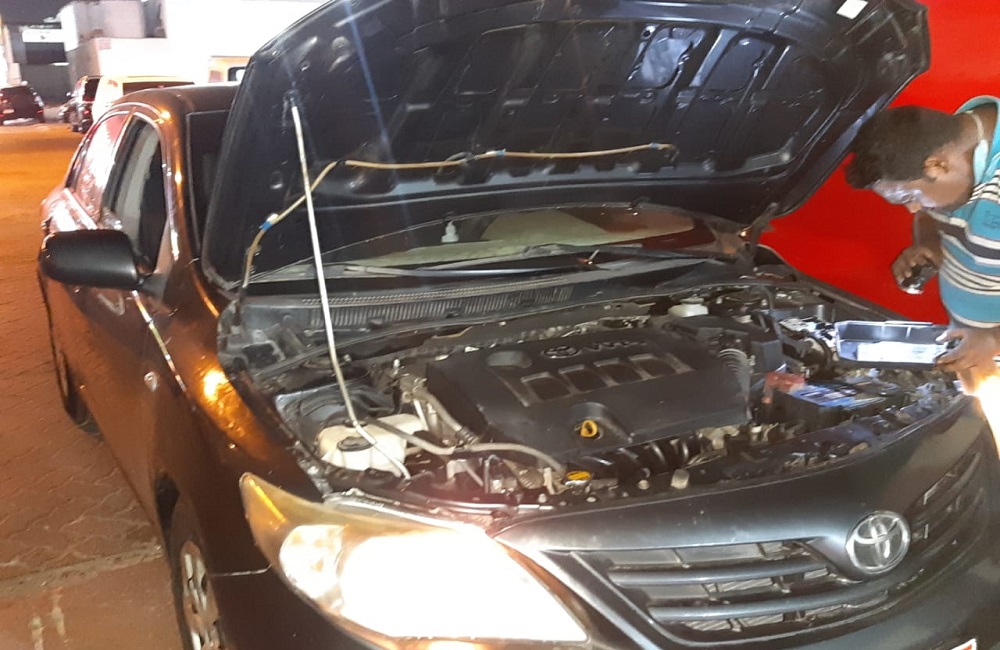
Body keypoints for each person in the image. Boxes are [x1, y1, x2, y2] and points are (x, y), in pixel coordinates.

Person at [845, 97, 1000, 387]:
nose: (913, 209)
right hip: (974, 344)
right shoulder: (953, 139)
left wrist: (992, 339)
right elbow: (928, 214)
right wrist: (927, 243)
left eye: (910, 196)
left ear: (938, 164)